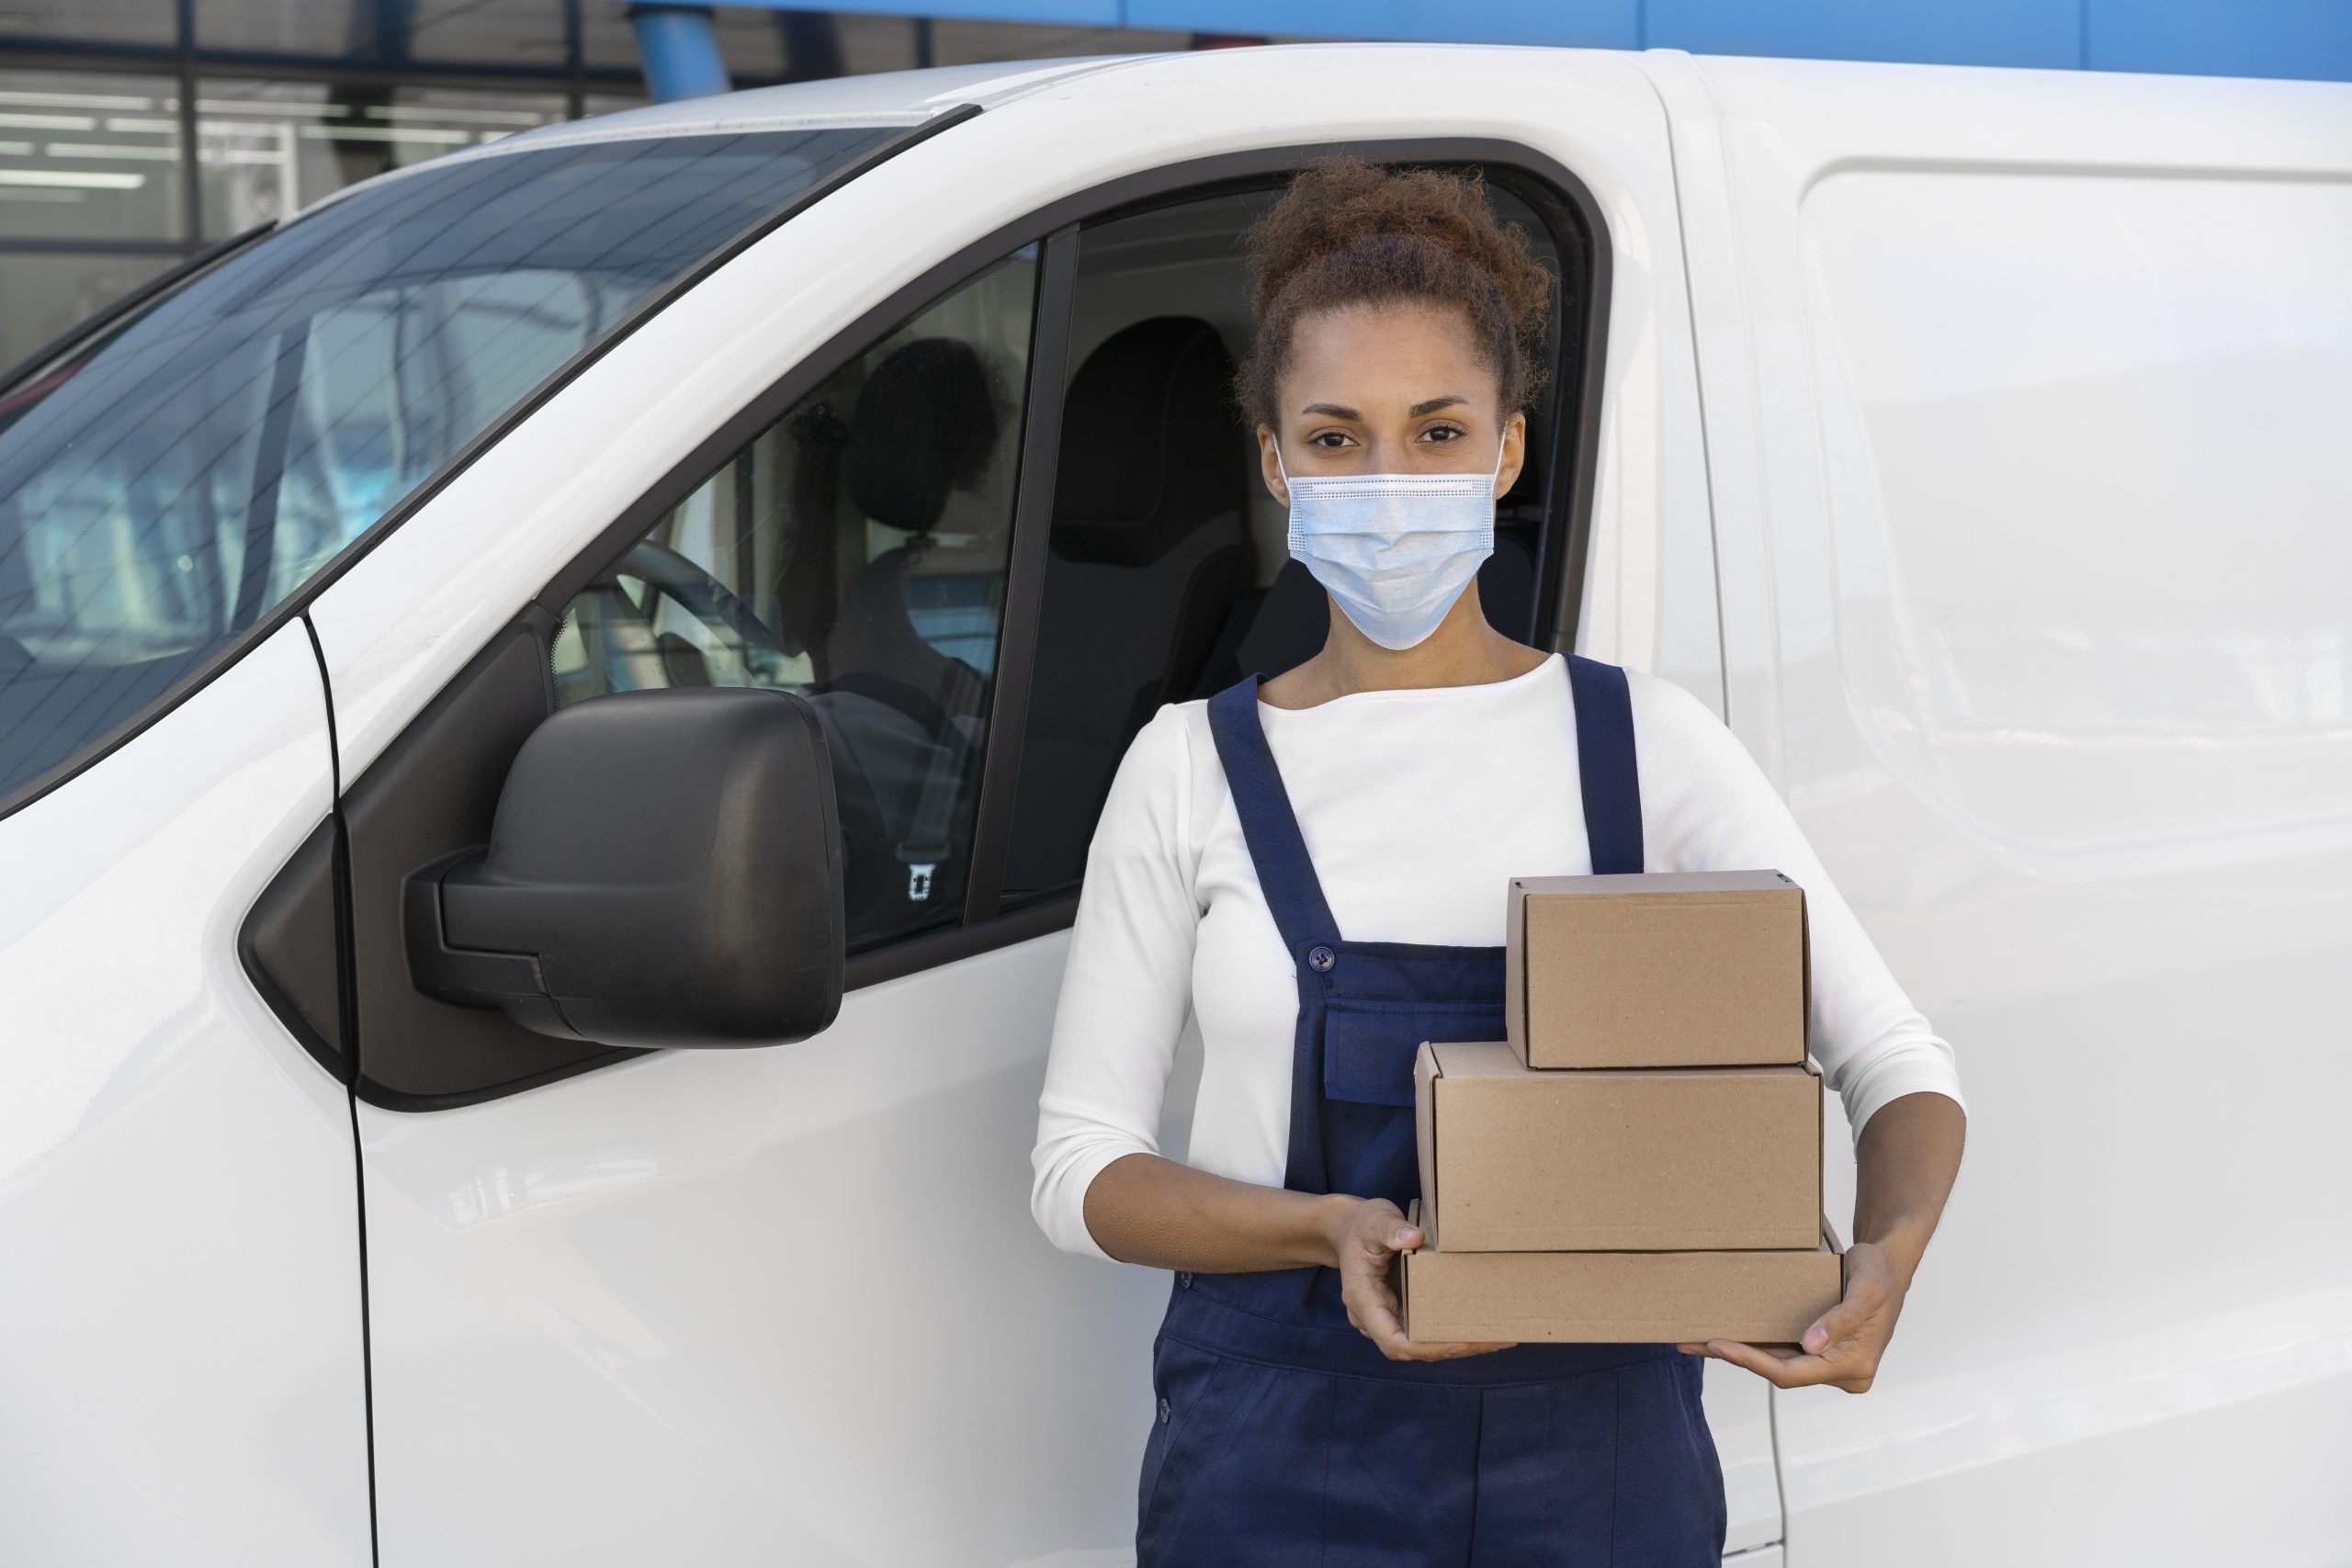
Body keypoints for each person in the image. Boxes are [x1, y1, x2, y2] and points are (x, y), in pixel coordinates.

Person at [1029, 156, 1968, 1564]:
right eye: (1337, 440)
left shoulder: (1649, 749)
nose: (1388, 481)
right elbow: (1078, 1170)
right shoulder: (1189, 768)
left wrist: (1884, 1258)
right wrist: (1324, 1229)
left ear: (1507, 454)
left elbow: (1898, 1063)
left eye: (1437, 431)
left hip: (1599, 1465)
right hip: (1278, 1456)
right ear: (1276, 465)